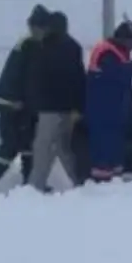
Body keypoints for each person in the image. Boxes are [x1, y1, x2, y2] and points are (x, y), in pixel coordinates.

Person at [0, 4, 49, 199]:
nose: (38, 30)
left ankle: (30, 186)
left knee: (30, 146)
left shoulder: (30, 46)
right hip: (13, 108)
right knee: (10, 147)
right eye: (35, 26)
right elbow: (25, 81)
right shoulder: (29, 48)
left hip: (20, 107)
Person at [26, 11, 87, 192]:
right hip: (68, 108)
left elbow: (37, 78)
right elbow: (79, 78)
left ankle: (35, 187)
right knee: (64, 147)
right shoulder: (74, 46)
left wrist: (33, 101)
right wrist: (79, 106)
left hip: (49, 107)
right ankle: (80, 182)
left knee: (43, 147)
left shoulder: (45, 46)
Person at [84, 20, 132, 183]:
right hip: (103, 112)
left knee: (115, 151)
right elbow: (118, 75)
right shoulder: (106, 53)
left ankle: (115, 185)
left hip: (115, 111)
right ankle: (102, 187)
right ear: (124, 39)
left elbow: (119, 83)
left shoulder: (119, 52)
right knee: (104, 152)